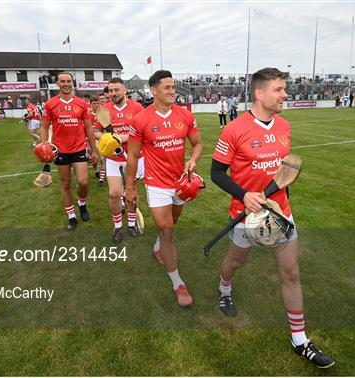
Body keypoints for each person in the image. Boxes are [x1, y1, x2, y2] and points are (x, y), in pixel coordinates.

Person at [210, 67, 335, 368]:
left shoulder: (284, 127)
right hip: (244, 216)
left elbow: (283, 175)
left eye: (284, 89)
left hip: (279, 214)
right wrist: (244, 195)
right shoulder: (234, 129)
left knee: (291, 274)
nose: (285, 94)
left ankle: (300, 340)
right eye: (279, 89)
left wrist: (284, 212)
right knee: (236, 262)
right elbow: (215, 172)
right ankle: (224, 287)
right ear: (259, 93)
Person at [126, 70, 203, 307]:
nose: (172, 91)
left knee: (171, 224)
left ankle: (158, 248)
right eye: (167, 87)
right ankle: (178, 283)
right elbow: (132, 155)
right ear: (154, 90)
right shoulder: (141, 120)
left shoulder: (185, 115)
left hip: (181, 182)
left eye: (173, 87)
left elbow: (198, 143)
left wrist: (193, 160)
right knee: (167, 231)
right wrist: (130, 187)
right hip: (156, 184)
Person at [40, 72, 98, 230]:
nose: (66, 84)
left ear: (72, 83)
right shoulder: (50, 104)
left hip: (79, 147)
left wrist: (94, 150)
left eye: (69, 81)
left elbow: (88, 128)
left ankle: (82, 202)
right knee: (65, 183)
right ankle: (71, 215)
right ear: (57, 84)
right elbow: (44, 126)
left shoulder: (81, 103)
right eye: (62, 81)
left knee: (83, 182)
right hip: (60, 150)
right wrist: (44, 145)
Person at [95, 77, 144, 243]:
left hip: (132, 158)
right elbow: (96, 131)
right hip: (113, 159)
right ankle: (117, 226)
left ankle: (131, 224)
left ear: (125, 90)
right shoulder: (104, 109)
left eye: (116, 90)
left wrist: (123, 137)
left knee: (131, 194)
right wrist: (105, 137)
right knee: (114, 194)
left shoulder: (137, 107)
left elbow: (143, 131)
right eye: (110, 90)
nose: (113, 93)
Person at [89, 95, 106, 185]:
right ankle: (96, 170)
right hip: (91, 140)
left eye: (97, 103)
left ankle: (101, 178)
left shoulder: (103, 114)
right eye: (94, 103)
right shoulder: (88, 114)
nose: (96, 105)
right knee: (94, 159)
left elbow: (106, 126)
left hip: (102, 139)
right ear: (90, 104)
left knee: (103, 159)